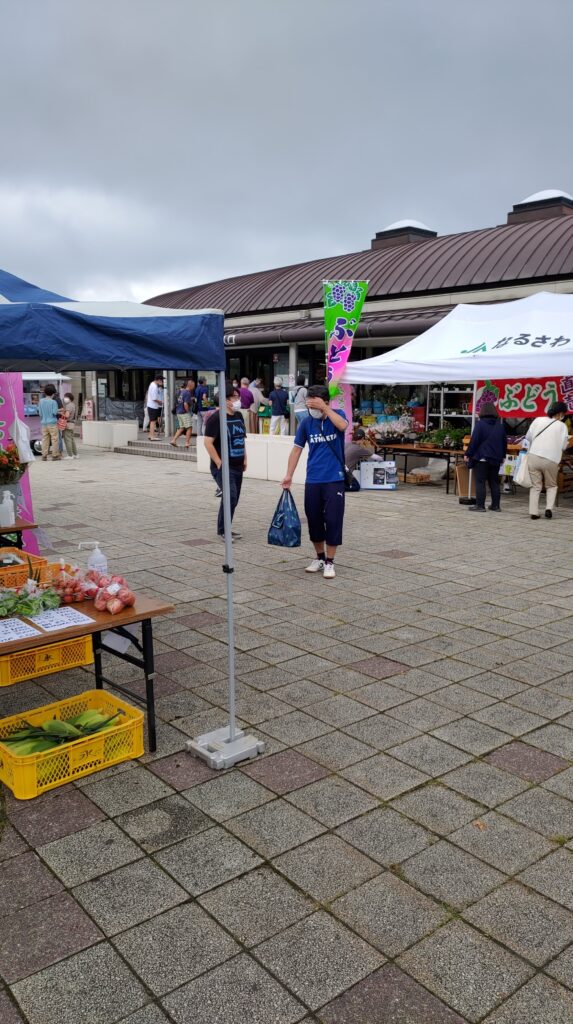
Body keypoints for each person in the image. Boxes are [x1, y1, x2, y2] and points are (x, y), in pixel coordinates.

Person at [282, 384, 348, 579]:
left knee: (333, 520)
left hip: (334, 479)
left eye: (316, 406)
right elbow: (296, 449)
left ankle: (330, 562)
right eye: (310, 406)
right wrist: (288, 475)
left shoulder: (337, 414)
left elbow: (343, 426)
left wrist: (325, 409)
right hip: (313, 479)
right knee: (314, 520)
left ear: (326, 402)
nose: (313, 411)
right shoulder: (307, 423)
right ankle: (319, 557)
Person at [204, 382, 247, 540]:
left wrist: (245, 458)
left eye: (237, 396)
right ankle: (223, 530)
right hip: (223, 466)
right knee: (230, 496)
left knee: (234, 499)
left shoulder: (238, 416)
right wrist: (219, 462)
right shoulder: (216, 418)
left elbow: (241, 439)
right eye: (234, 397)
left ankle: (227, 528)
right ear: (226, 400)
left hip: (238, 464)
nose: (237, 400)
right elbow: (208, 442)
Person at [525, 400, 570, 520]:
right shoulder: (562, 426)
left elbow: (528, 437)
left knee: (535, 486)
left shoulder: (538, 419)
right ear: (560, 413)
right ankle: (549, 508)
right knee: (551, 485)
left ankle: (534, 512)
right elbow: (563, 446)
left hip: (533, 456)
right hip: (551, 459)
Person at [464, 402, 507, 512]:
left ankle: (480, 505)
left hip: (482, 457)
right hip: (496, 458)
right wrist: (502, 456)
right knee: (494, 482)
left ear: (482, 411)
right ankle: (495, 506)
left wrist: (468, 454)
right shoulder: (500, 425)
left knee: (480, 481)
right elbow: (504, 442)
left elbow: (474, 441)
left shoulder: (480, 424)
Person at [170, 378, 195, 448]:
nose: (194, 386)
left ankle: (173, 440)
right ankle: (187, 443)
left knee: (181, 428)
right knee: (189, 427)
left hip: (179, 412)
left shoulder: (182, 392)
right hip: (184, 412)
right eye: (193, 385)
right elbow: (185, 404)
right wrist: (188, 412)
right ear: (190, 385)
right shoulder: (187, 393)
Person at [39, 385, 61, 461]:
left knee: (45, 439)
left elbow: (40, 414)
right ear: (53, 393)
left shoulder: (41, 401)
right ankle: (55, 455)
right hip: (52, 423)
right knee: (54, 439)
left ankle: (44, 456)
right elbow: (54, 412)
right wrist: (59, 411)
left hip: (44, 423)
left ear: (45, 392)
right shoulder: (53, 402)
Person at [146, 373, 164, 440]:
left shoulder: (151, 384)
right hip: (153, 406)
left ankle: (150, 435)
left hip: (150, 406)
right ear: (158, 380)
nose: (162, 382)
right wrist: (161, 402)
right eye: (161, 381)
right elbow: (154, 398)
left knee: (152, 421)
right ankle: (152, 436)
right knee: (153, 421)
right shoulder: (154, 386)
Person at [61, 392, 79, 458]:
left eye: (66, 397)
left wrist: (61, 414)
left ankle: (70, 455)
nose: (65, 398)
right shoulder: (73, 405)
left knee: (67, 439)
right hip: (72, 423)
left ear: (69, 398)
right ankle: (75, 454)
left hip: (68, 423)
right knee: (71, 439)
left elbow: (67, 415)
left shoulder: (68, 405)